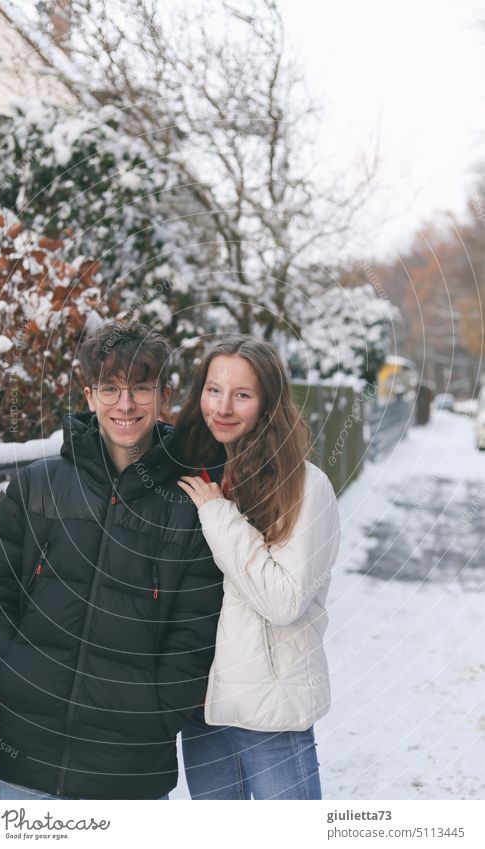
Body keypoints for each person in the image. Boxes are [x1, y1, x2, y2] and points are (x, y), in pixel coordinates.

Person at [0, 320, 223, 800]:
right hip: (27, 755)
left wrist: (155, 712)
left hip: (128, 770)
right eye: (110, 388)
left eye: (140, 389)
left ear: (162, 394)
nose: (124, 405)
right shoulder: (38, 485)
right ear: (88, 395)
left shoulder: (191, 504)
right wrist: (7, 677)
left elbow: (197, 630)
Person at [175, 336, 340, 800]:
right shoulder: (194, 474)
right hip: (202, 708)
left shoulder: (305, 486)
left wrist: (219, 515)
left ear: (268, 404)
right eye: (213, 390)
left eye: (242, 395)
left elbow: (283, 600)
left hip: (269, 706)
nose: (222, 407)